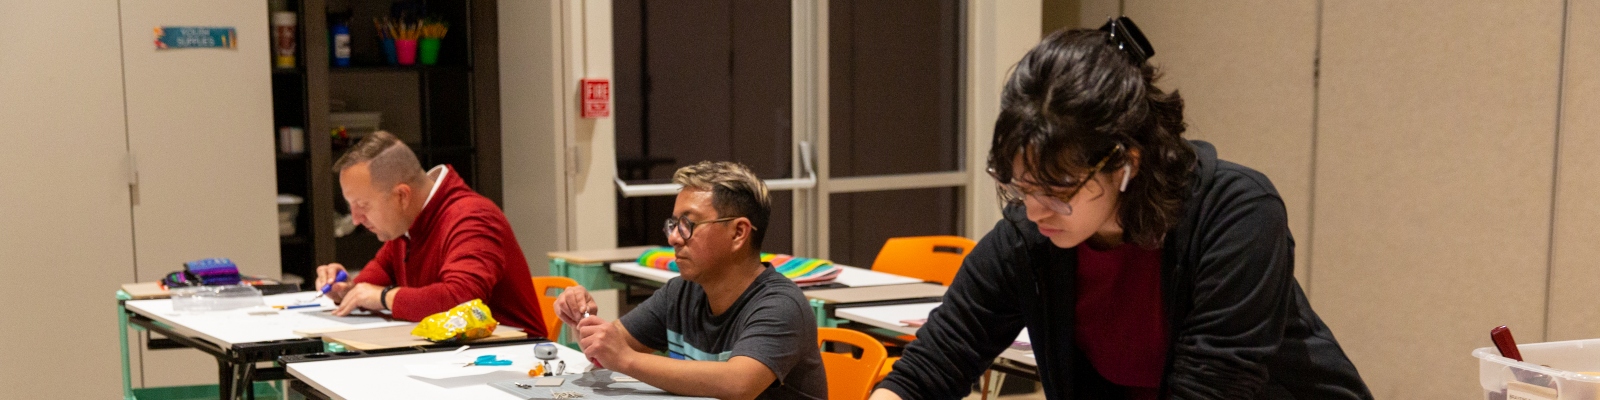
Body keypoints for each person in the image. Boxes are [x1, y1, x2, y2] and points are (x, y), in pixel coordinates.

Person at [871, 18, 1372, 399]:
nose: (1035, 209)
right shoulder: (1030, 240)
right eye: (1019, 186)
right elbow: (934, 365)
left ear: (1125, 164)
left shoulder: (1237, 216)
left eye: (1057, 189)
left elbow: (1213, 387)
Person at [554, 161, 827, 400]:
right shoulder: (681, 293)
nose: (673, 238)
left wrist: (626, 359)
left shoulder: (780, 306)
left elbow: (739, 384)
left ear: (738, 233)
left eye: (688, 225)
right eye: (673, 224)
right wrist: (581, 321)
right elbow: (608, 351)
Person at [314, 131, 547, 338]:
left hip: (516, 363)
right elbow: (374, 281)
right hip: (455, 358)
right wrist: (344, 289)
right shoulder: (406, 222)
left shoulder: (472, 217)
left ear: (402, 196)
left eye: (363, 204)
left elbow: (461, 300)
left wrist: (383, 297)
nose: (355, 219)